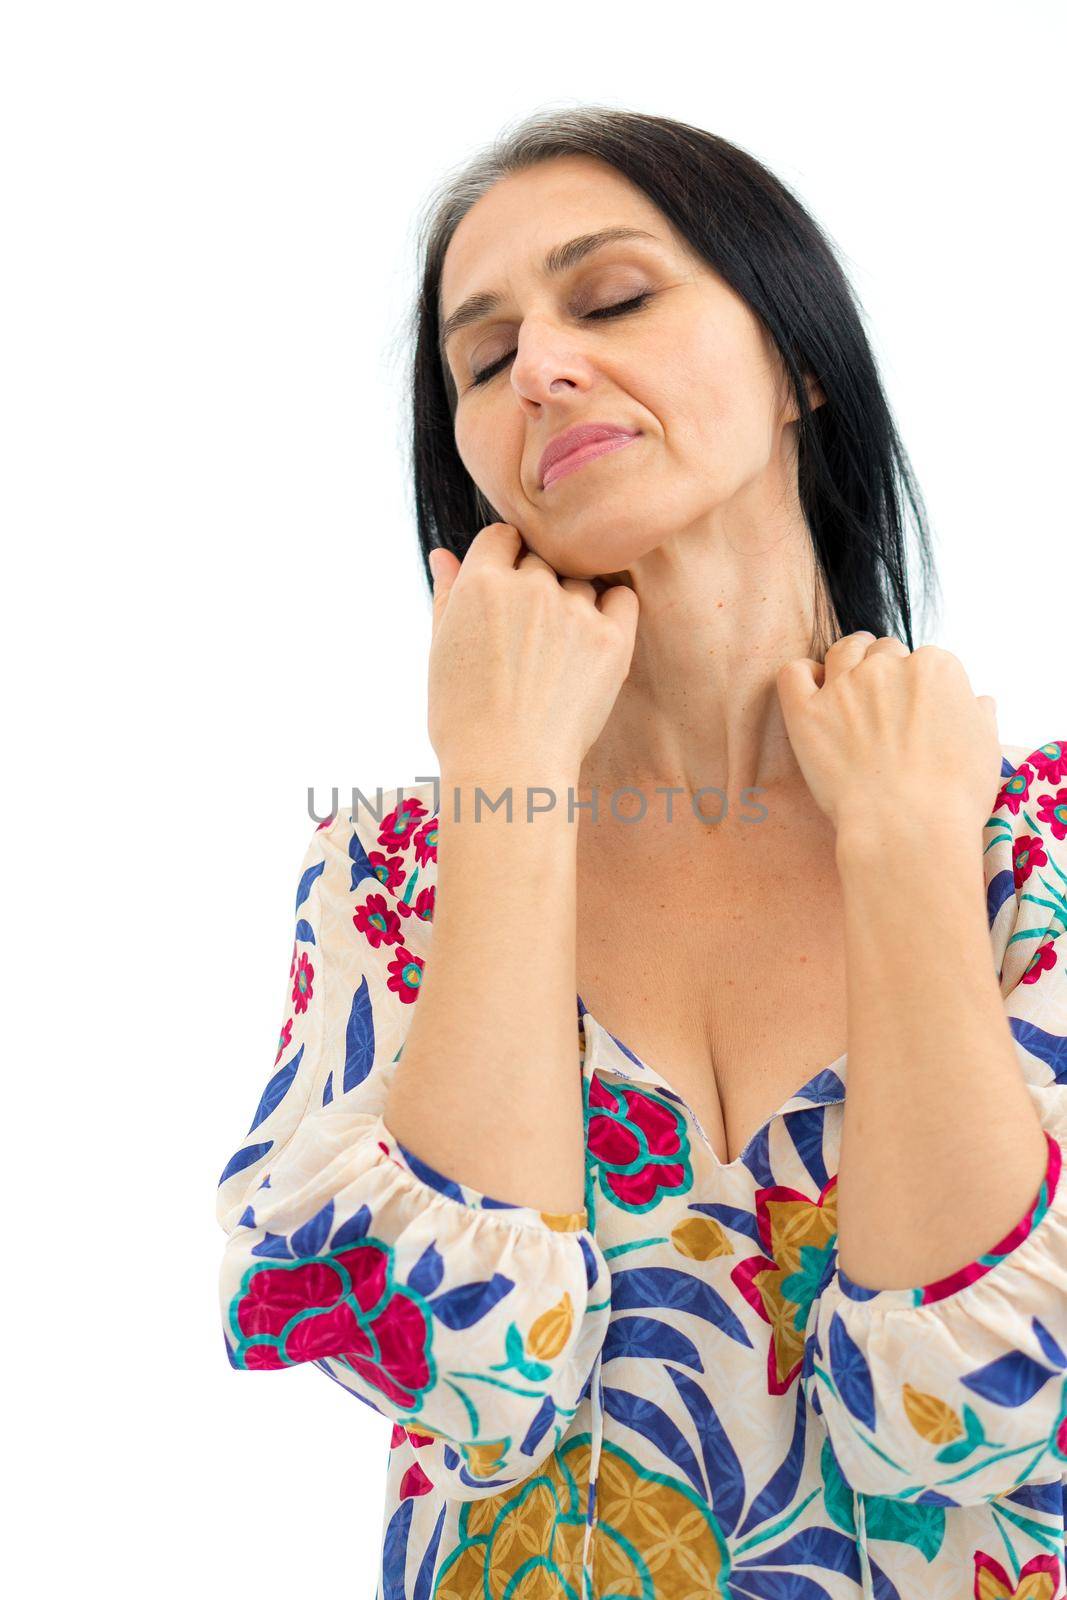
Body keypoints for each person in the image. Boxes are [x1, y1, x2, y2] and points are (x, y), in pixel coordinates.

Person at [216, 107, 1067, 1599]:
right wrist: (508, 787)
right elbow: (476, 1380)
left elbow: (978, 1428)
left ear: (801, 361)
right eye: (482, 364)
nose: (540, 367)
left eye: (610, 300)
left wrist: (907, 852)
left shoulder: (1035, 844)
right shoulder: (395, 876)